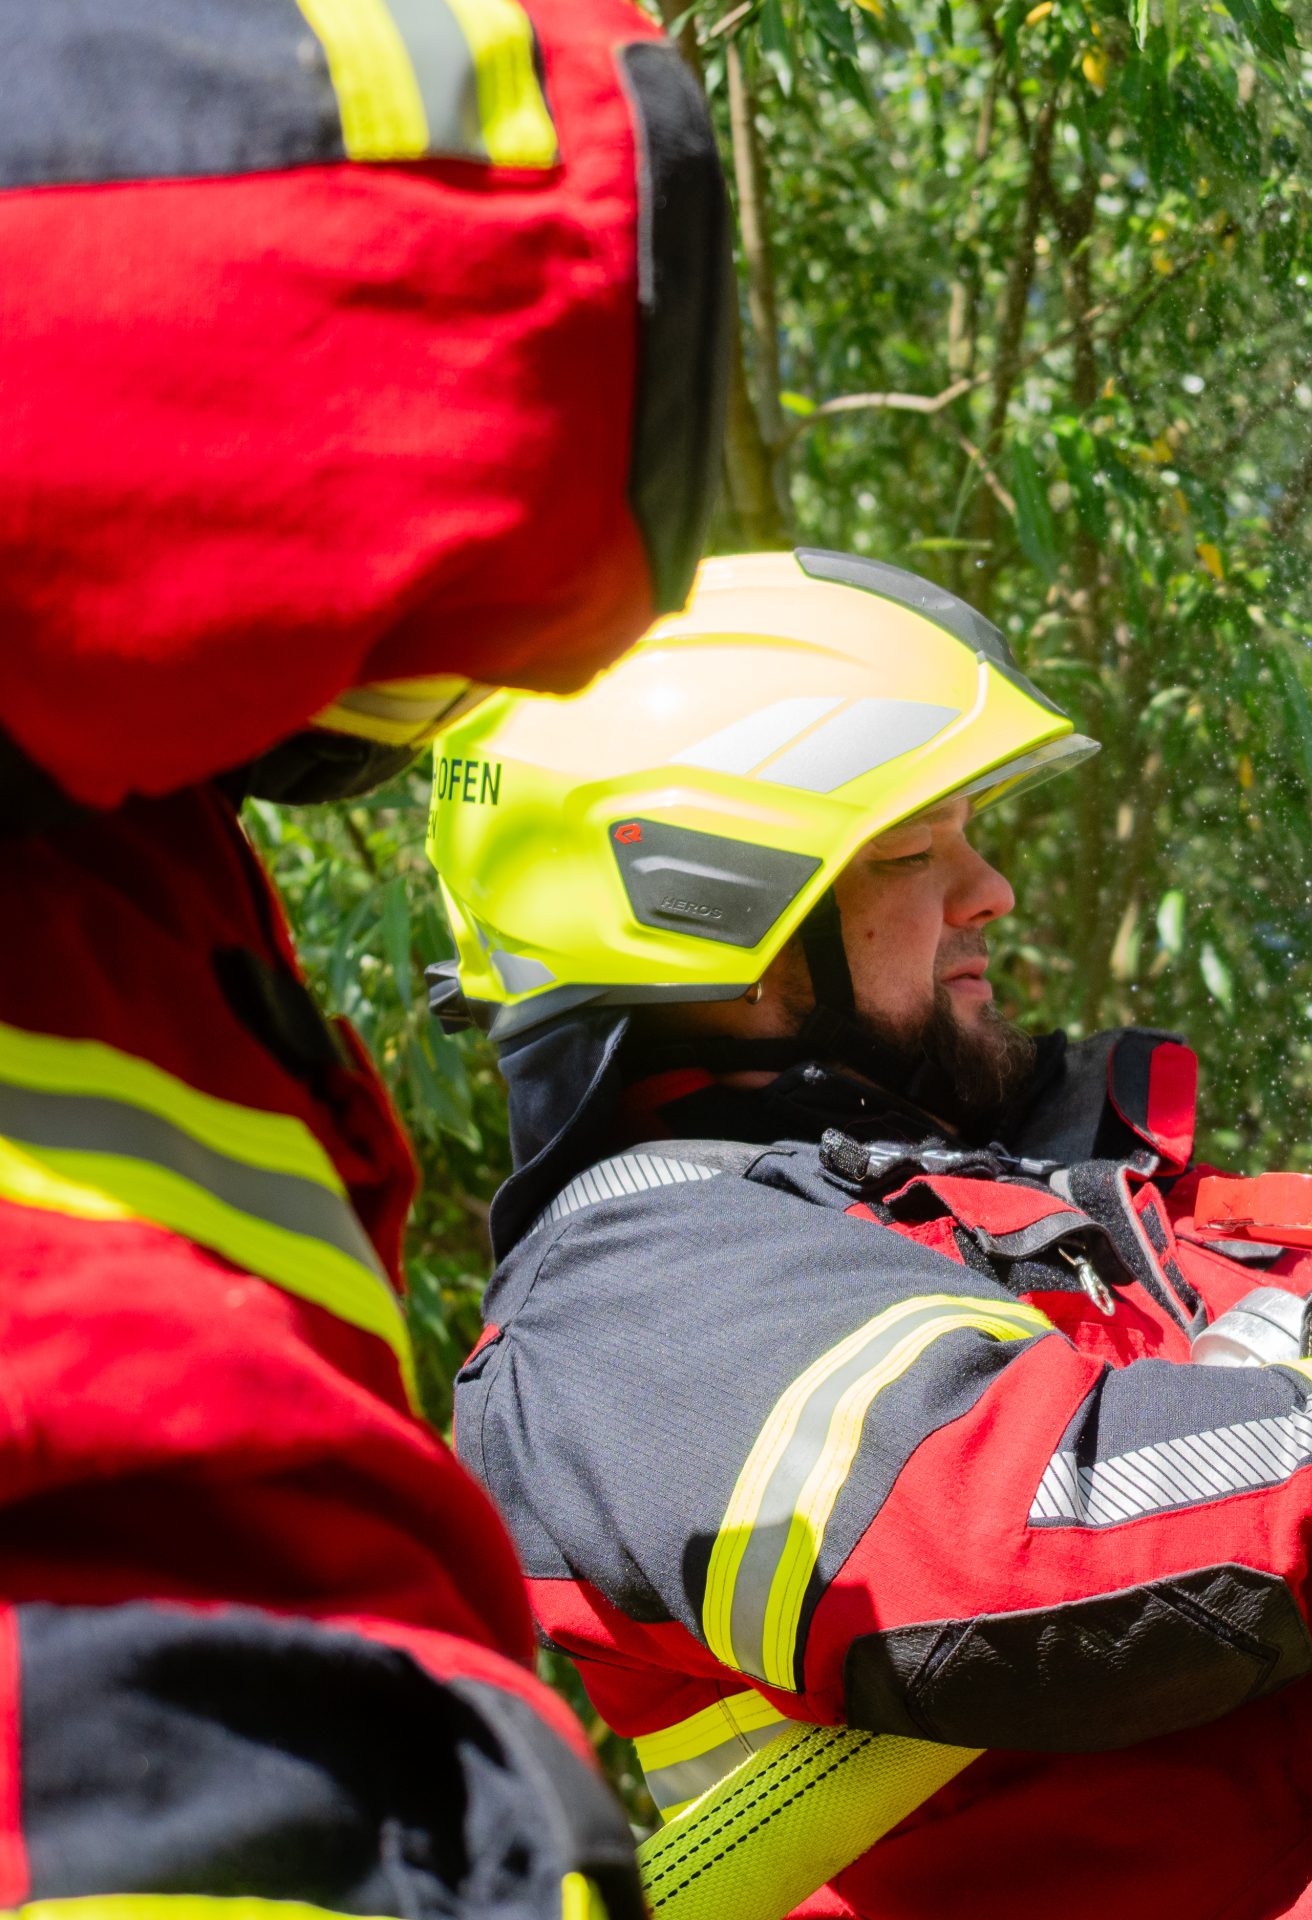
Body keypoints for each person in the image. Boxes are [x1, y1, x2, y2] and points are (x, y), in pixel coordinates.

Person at [431, 549, 1312, 1920]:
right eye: (914, 849)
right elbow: (1048, 1535)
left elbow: (1300, 1443)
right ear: (697, 915)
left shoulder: (1007, 1210)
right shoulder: (633, 1306)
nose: (991, 892)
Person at [0, 3, 728, 1912]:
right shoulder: (680, 1273)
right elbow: (556, 269)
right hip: (116, 1753)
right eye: (926, 849)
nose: (996, 902)